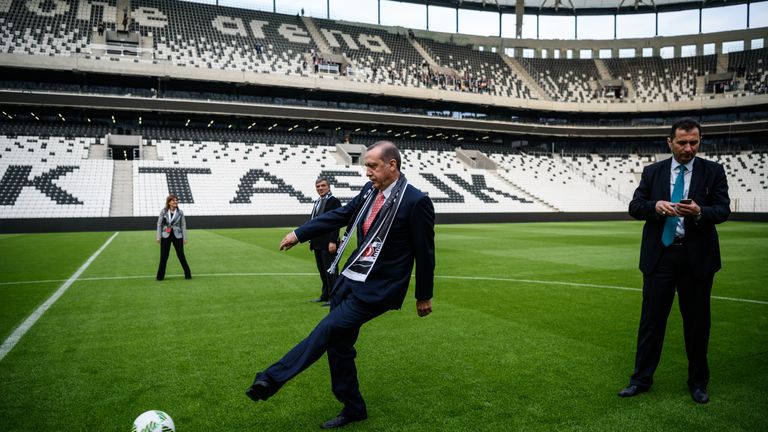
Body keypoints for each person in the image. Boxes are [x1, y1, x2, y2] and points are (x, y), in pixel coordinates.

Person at [245, 141, 435, 429]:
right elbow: (341, 215)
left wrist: (423, 296)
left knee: (327, 330)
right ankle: (354, 407)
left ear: (392, 165)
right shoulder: (369, 192)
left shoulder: (416, 201)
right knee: (339, 347)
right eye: (366, 166)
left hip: (378, 289)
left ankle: (269, 379)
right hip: (349, 281)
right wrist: (300, 233)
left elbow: (425, 252)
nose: (367, 172)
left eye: (372, 166)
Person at [619, 118, 730, 404]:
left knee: (697, 324)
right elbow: (635, 206)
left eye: (694, 142)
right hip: (661, 256)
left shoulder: (713, 171)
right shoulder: (652, 172)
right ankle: (640, 380)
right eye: (682, 142)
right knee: (651, 323)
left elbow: (723, 210)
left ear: (699, 141)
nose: (688, 148)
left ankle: (698, 383)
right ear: (670, 142)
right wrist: (655, 206)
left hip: (697, 259)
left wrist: (699, 211)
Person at [308, 176, 341, 306]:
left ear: (328, 187)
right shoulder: (317, 202)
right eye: (318, 186)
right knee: (322, 271)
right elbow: (313, 222)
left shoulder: (334, 201)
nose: (320, 188)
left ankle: (335, 298)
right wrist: (311, 240)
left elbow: (336, 222)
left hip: (328, 243)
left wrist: (333, 241)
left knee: (331, 271)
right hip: (317, 243)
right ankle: (325, 295)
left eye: (323, 186)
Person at [156, 194, 192, 281]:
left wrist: (185, 238)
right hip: (166, 235)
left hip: (178, 235)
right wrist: (158, 236)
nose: (175, 202)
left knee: (181, 255)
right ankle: (160, 277)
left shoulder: (180, 212)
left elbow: (183, 225)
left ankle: (188, 275)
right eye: (173, 200)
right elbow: (159, 224)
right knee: (164, 256)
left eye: (176, 200)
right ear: (169, 202)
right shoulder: (163, 211)